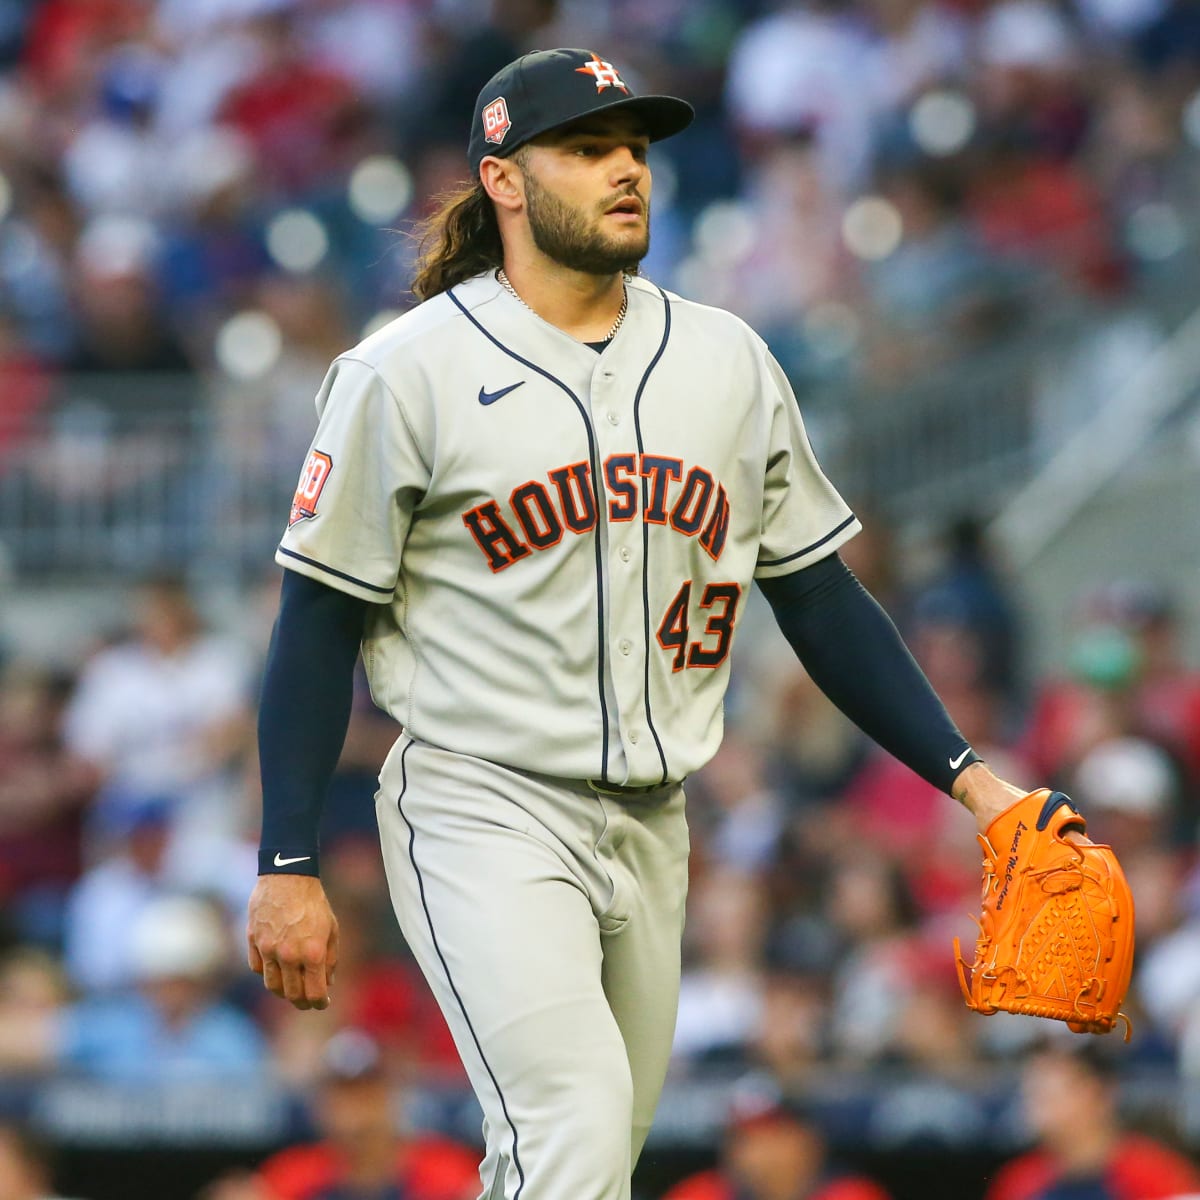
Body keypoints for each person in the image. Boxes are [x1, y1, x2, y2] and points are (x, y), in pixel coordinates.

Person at [246, 47, 1044, 1200]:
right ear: (504, 181)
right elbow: (317, 620)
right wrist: (287, 858)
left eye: (635, 147)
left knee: (590, 1157)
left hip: (657, 820)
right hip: (484, 803)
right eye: (586, 149)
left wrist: (975, 782)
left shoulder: (726, 359)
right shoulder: (403, 373)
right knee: (570, 1128)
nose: (627, 170)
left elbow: (817, 593)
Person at [983, 1041, 1200, 1200]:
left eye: (1049, 1093)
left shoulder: (1157, 1174)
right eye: (1030, 1093)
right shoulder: (1019, 1181)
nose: (1036, 1105)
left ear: (1101, 1093)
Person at [662, 1081, 892, 1200]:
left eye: (762, 1136)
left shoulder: (852, 1195)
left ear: (805, 1139)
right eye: (740, 1137)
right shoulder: (702, 1193)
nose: (748, 1152)